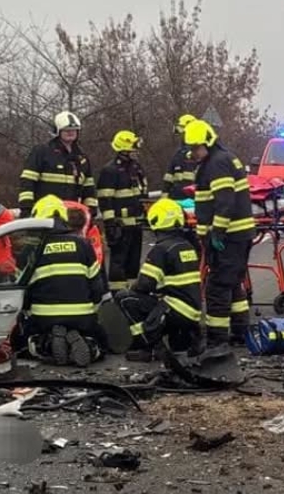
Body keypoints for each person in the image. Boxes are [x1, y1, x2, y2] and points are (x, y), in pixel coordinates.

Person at [186, 118, 255, 358]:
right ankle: (240, 330)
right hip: (238, 234)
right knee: (233, 282)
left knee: (217, 286)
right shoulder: (222, 158)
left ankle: (217, 339)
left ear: (208, 142)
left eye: (196, 148)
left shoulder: (216, 163)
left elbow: (224, 201)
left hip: (229, 235)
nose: (193, 152)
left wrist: (217, 232)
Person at [13, 194, 109, 367]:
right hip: (83, 315)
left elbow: (21, 290)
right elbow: (97, 285)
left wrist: (26, 313)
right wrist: (93, 312)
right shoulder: (83, 244)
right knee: (101, 343)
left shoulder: (32, 249)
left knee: (21, 344)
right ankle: (89, 345)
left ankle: (47, 344)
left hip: (44, 317)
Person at [117, 198, 203, 360]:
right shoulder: (187, 246)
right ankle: (186, 341)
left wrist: (132, 287)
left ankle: (147, 346)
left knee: (124, 298)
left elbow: (144, 285)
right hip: (192, 312)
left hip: (175, 310)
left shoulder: (161, 249)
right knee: (179, 347)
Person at [18, 111, 98, 223]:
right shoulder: (42, 152)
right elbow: (27, 182)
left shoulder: (82, 157)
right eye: (66, 130)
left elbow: (89, 188)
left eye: (74, 130)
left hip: (72, 217)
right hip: (46, 214)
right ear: (57, 131)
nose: (71, 133)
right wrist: (26, 209)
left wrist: (91, 211)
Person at [97, 130, 148, 284]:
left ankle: (131, 293)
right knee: (118, 262)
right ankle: (117, 294)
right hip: (120, 225)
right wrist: (110, 223)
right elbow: (105, 199)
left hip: (137, 224)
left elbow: (141, 195)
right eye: (133, 149)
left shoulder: (136, 168)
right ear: (124, 150)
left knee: (134, 262)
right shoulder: (110, 170)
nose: (135, 152)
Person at [163, 113, 197, 200]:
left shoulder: (200, 151)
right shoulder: (179, 153)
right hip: (177, 198)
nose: (182, 136)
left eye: (183, 133)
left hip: (195, 199)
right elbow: (169, 177)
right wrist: (165, 198)